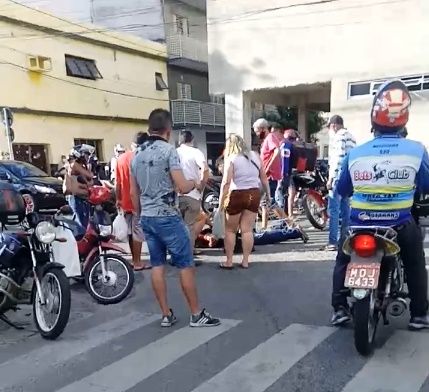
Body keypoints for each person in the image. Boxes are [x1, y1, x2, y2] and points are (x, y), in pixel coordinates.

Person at [331, 80, 429, 329]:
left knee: (343, 259)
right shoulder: (416, 150)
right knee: (415, 261)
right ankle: (419, 314)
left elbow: (342, 189)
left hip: (359, 223)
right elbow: (427, 185)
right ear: (404, 122)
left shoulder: (356, 153)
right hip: (399, 224)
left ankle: (339, 307)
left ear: (373, 122)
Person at [130, 108, 220, 328]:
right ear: (168, 130)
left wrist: (140, 215)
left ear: (150, 128)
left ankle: (166, 314)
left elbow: (134, 193)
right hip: (168, 216)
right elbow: (181, 185)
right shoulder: (169, 151)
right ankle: (196, 314)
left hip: (148, 217)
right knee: (185, 264)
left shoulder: (137, 154)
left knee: (157, 265)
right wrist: (194, 183)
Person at [219, 134, 270, 269]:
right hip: (254, 194)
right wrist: (268, 195)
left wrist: (220, 202)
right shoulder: (255, 155)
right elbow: (264, 179)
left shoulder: (232, 158)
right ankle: (245, 261)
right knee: (247, 230)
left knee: (230, 230)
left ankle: (229, 261)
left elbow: (226, 183)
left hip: (237, 194)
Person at [116, 132, 150, 272]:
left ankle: (134, 259)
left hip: (124, 201)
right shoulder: (141, 158)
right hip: (138, 201)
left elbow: (117, 182)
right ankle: (137, 262)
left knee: (131, 232)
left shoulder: (121, 158)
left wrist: (118, 199)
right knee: (138, 232)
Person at [322, 115, 356, 251]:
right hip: (348, 178)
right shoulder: (351, 137)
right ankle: (345, 240)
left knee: (334, 210)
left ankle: (332, 242)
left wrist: (331, 179)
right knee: (345, 209)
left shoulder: (339, 137)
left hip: (338, 177)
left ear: (334, 125)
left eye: (330, 126)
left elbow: (338, 159)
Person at [176, 131, 209, 261]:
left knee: (176, 227)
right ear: (192, 139)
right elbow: (205, 169)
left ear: (179, 141)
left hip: (175, 195)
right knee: (189, 227)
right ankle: (187, 256)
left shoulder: (173, 153)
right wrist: (201, 185)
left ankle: (176, 255)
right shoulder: (196, 152)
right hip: (192, 195)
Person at [260, 122, 287, 229]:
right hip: (269, 175)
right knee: (266, 202)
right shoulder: (270, 138)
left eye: (257, 130)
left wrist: (267, 168)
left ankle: (290, 223)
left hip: (269, 175)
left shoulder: (270, 137)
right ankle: (264, 227)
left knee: (269, 202)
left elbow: (276, 152)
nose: (257, 133)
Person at [66, 144, 94, 230]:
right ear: (79, 154)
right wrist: (89, 167)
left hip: (82, 197)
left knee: (84, 223)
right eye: (86, 154)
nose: (88, 156)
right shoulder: (74, 165)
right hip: (76, 197)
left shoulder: (81, 166)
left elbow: (91, 181)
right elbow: (89, 175)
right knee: (79, 224)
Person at [281, 129, 298, 220]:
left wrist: (284, 172)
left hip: (286, 172)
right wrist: (285, 172)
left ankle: (288, 215)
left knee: (289, 193)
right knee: (289, 194)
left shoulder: (285, 144)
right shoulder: (288, 144)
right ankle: (288, 216)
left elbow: (285, 159)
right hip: (287, 173)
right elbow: (285, 159)